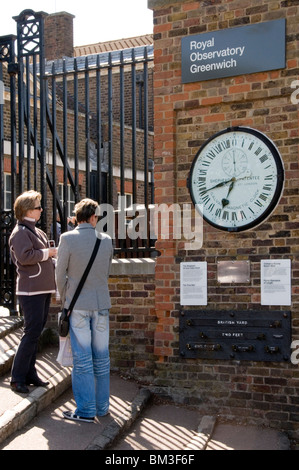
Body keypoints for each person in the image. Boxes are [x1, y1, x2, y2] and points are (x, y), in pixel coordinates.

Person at [56, 198, 113, 423]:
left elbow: (60, 275)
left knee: (83, 360)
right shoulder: (106, 240)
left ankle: (86, 410)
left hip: (77, 305)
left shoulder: (67, 239)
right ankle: (102, 406)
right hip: (101, 304)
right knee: (102, 358)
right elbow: (106, 273)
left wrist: (66, 300)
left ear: (78, 217)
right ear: (92, 217)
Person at [9, 190, 57, 394]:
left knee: (36, 333)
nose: (41, 210)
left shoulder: (38, 232)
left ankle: (30, 373)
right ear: (28, 210)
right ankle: (17, 377)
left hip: (42, 288)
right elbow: (24, 257)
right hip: (30, 291)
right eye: (38, 207)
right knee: (31, 333)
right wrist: (48, 253)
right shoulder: (20, 232)